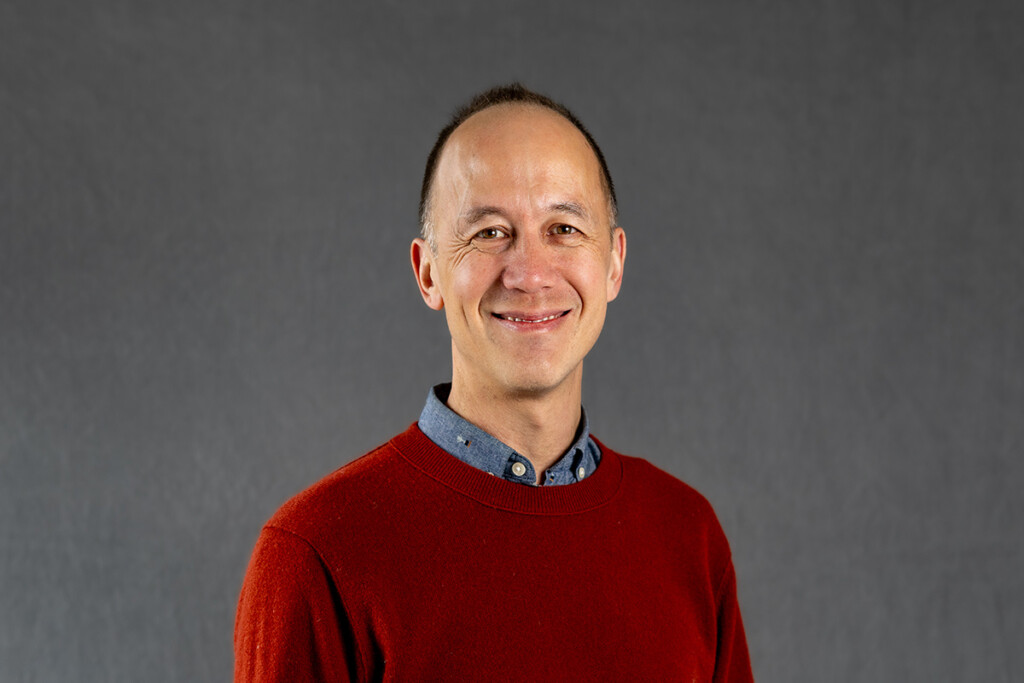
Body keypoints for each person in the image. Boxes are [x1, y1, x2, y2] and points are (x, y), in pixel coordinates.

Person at [234, 83, 754, 682]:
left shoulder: (687, 535)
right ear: (428, 273)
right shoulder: (317, 552)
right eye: (489, 233)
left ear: (613, 262)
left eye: (563, 229)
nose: (530, 273)